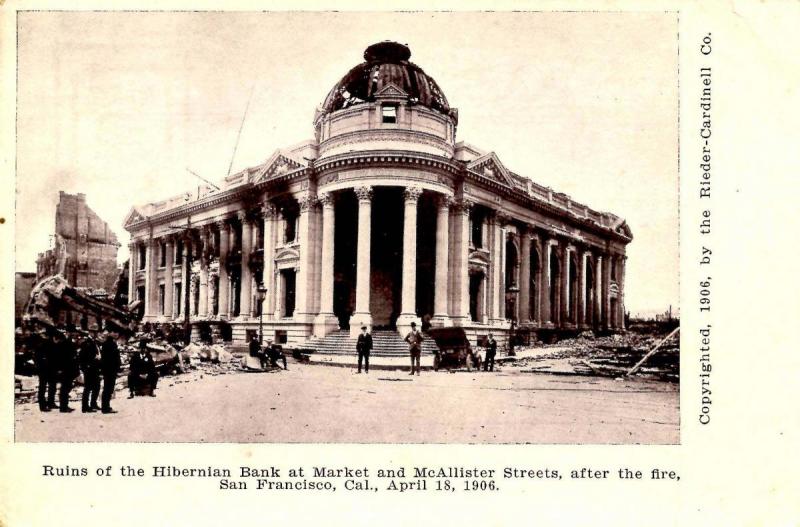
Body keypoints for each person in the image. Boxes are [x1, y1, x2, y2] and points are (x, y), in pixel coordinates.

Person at [54, 329, 79, 413]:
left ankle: (64, 405)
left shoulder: (69, 342)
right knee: (65, 388)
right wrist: (60, 369)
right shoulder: (63, 344)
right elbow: (60, 358)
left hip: (69, 369)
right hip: (65, 369)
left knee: (67, 387)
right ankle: (63, 407)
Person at [33, 328, 57, 412]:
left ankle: (50, 403)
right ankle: (43, 405)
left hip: (50, 368)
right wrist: (39, 366)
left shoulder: (51, 344)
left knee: (51, 386)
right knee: (44, 387)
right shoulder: (41, 344)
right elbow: (36, 357)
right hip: (44, 369)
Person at [78, 331, 102, 412]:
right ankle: (85, 407)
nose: (95, 334)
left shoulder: (95, 342)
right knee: (88, 387)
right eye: (94, 332)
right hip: (89, 368)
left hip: (95, 368)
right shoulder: (86, 343)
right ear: (90, 332)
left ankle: (93, 404)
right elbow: (83, 356)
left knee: (97, 386)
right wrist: (86, 367)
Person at [100, 331, 121, 414]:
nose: (116, 334)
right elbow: (114, 358)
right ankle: (105, 408)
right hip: (110, 370)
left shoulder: (107, 344)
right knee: (108, 389)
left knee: (107, 389)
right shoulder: (111, 345)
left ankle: (105, 406)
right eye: (114, 333)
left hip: (108, 370)